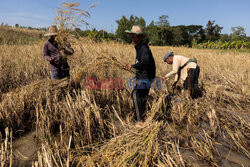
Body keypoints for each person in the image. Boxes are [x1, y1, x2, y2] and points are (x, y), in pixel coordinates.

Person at [124, 25, 156, 126]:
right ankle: (141, 116)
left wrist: (132, 66)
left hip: (146, 77)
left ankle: (139, 121)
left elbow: (145, 62)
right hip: (144, 75)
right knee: (142, 97)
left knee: (135, 94)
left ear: (141, 37)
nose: (133, 39)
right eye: (132, 37)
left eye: (136, 37)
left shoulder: (144, 48)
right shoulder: (138, 47)